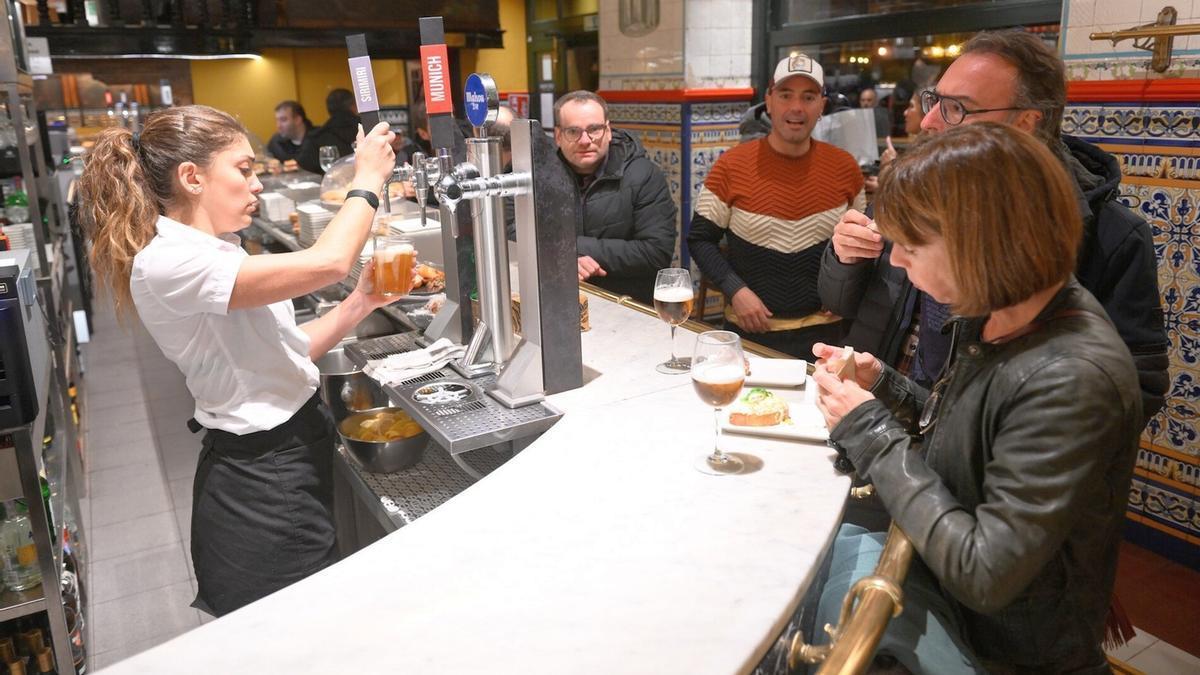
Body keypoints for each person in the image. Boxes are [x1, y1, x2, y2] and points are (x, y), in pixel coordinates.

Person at [812, 122, 1141, 673]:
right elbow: (968, 437)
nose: (894, 261)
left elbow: (985, 573)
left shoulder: (1072, 376)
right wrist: (884, 387)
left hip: (1006, 653)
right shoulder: (1002, 312)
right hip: (957, 609)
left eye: (911, 246)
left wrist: (869, 429)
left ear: (980, 243)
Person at [77, 105, 398, 616]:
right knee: (297, 629)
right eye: (244, 169)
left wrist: (360, 303)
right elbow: (329, 261)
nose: (256, 184)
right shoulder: (170, 261)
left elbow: (285, 353)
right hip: (263, 481)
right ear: (192, 178)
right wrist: (368, 178)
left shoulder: (219, 250)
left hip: (286, 454)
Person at [818, 29, 1168, 423]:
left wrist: (1000, 436)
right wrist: (845, 259)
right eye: (934, 100)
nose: (929, 120)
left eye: (956, 108)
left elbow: (1138, 384)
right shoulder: (919, 190)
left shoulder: (1110, 236)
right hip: (876, 409)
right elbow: (840, 302)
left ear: (1025, 122)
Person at [688, 55, 865, 358]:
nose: (797, 107)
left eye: (808, 97)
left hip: (827, 338)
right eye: (786, 95)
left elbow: (861, 244)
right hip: (750, 335)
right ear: (769, 102)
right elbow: (700, 240)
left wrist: (846, 287)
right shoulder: (731, 167)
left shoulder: (845, 167)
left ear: (821, 106)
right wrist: (736, 290)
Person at [553, 90, 676, 303]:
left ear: (608, 131)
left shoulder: (644, 175)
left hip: (628, 305)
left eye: (594, 129)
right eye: (573, 131)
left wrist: (574, 248)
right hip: (559, 301)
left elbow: (655, 252)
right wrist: (563, 258)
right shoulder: (541, 176)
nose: (585, 140)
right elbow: (513, 233)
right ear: (558, 136)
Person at [297, 88, 361, 174]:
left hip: (332, 185)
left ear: (328, 109)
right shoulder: (369, 130)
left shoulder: (316, 137)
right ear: (354, 105)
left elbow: (304, 168)